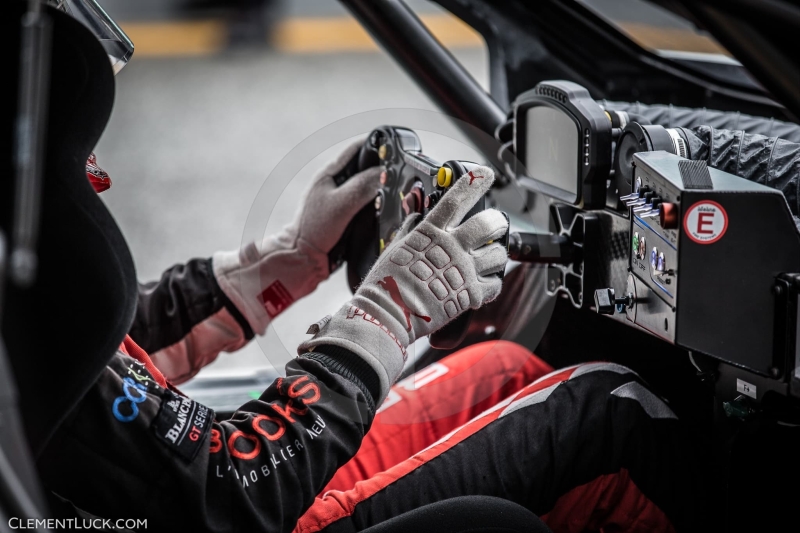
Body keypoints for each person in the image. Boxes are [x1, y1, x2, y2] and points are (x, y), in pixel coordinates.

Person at [29, 2, 703, 532]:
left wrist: (283, 264)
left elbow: (103, 363)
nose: (100, 174)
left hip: (220, 496)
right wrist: (385, 315)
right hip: (246, 507)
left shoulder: (26, 323)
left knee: (507, 370)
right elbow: (231, 495)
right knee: (614, 418)